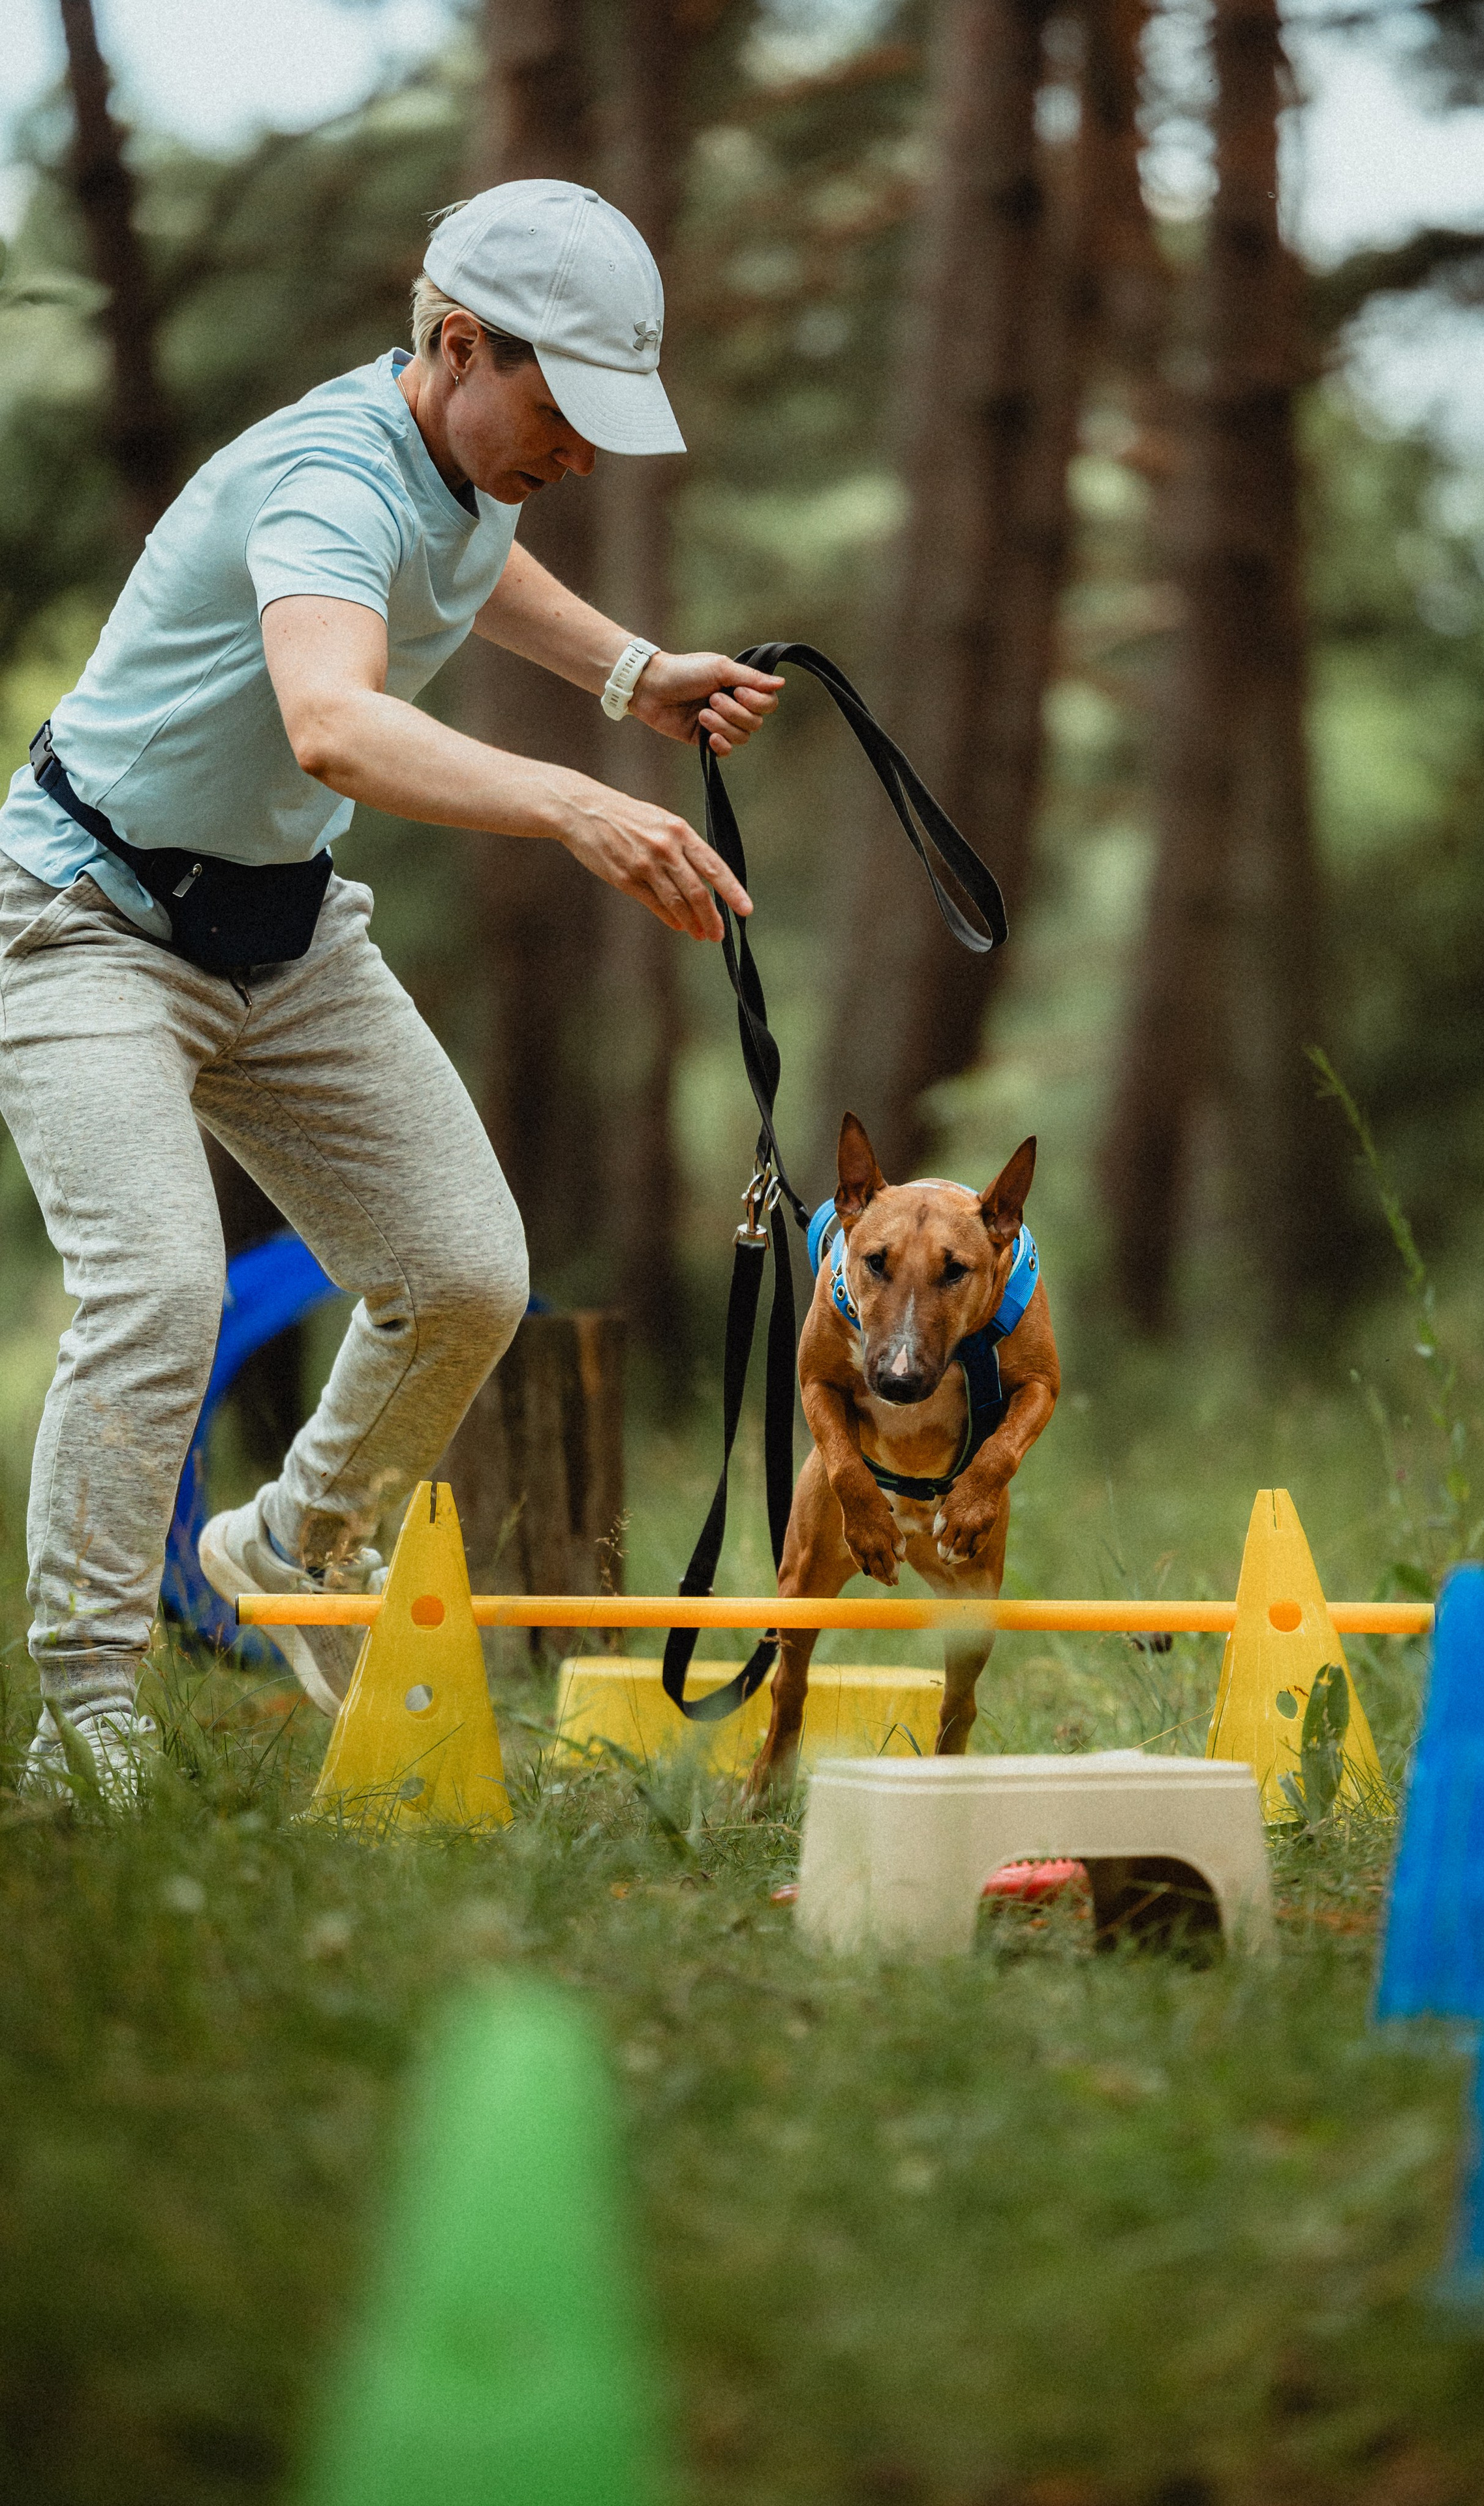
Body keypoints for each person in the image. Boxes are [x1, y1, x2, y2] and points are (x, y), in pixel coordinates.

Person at [0, 178, 784, 1797]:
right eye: (560, 418)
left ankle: (295, 1544)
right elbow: (334, 725)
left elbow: (469, 563)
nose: (573, 461)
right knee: (156, 1291)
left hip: (279, 938)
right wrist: (573, 800)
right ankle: (85, 1710)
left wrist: (633, 676)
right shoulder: (321, 478)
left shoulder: (458, 460)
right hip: (80, 919)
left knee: (464, 1276)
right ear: (457, 344)